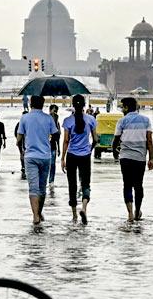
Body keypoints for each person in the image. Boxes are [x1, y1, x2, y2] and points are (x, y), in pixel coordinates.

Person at [16, 95, 58, 224]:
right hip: (45, 156)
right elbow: (56, 135)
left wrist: (22, 150)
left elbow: (19, 139)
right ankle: (39, 212)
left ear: (30, 104)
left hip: (31, 157)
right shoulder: (48, 118)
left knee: (33, 188)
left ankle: (35, 216)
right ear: (43, 104)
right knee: (42, 187)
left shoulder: (25, 118)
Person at [112, 97, 153, 220]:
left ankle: (129, 213)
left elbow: (116, 140)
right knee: (138, 185)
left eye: (122, 107)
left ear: (126, 107)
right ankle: (137, 211)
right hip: (140, 158)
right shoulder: (146, 121)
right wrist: (151, 158)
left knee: (127, 185)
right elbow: (149, 141)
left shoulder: (122, 121)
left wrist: (115, 151)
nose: (121, 109)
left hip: (125, 158)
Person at [60, 93, 97, 224]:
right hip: (85, 156)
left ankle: (75, 215)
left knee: (72, 184)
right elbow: (96, 139)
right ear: (84, 105)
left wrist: (62, 158)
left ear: (73, 105)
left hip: (71, 156)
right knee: (86, 183)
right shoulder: (91, 120)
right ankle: (84, 208)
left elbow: (65, 141)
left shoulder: (68, 121)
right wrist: (89, 149)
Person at [48, 104, 61, 187]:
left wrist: (59, 148)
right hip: (44, 147)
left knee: (52, 164)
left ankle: (51, 180)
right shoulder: (46, 121)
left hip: (53, 146)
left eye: (56, 111)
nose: (55, 113)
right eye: (54, 110)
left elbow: (58, 137)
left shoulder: (57, 123)